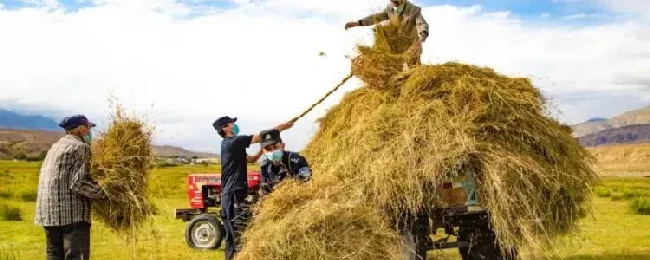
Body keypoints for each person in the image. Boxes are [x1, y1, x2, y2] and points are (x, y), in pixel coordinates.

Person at [212, 116, 295, 260]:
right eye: (232, 123)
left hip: (234, 192)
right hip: (234, 192)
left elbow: (252, 160)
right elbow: (261, 136)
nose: (234, 125)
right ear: (225, 128)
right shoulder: (233, 142)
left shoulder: (232, 146)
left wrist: (261, 151)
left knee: (235, 234)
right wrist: (281, 127)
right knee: (237, 232)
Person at [34, 114, 106, 260]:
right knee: (75, 256)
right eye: (88, 127)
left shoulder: (56, 147)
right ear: (79, 128)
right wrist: (104, 192)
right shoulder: (79, 147)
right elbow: (77, 183)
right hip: (71, 215)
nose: (90, 131)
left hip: (49, 215)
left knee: (54, 256)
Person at [344, 0, 429, 68]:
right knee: (395, 74)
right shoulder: (390, 8)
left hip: (411, 47)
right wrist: (357, 23)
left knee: (414, 69)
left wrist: (422, 35)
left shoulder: (414, 10)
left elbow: (421, 23)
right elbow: (376, 17)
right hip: (396, 48)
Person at [258, 129, 311, 196]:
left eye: (275, 147)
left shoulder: (296, 160)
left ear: (282, 146)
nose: (273, 151)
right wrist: (264, 190)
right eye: (268, 149)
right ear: (263, 151)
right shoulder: (264, 166)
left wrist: (287, 186)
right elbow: (263, 188)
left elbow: (307, 180)